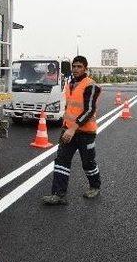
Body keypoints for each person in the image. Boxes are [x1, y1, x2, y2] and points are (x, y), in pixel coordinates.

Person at [42, 55, 102, 205]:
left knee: (88, 163)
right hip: (68, 130)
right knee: (61, 161)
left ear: (85, 69)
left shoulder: (91, 85)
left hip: (85, 133)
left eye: (79, 66)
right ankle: (58, 194)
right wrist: (66, 127)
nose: (75, 69)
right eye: (74, 66)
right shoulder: (70, 84)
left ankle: (95, 186)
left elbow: (89, 110)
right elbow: (70, 108)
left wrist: (72, 129)